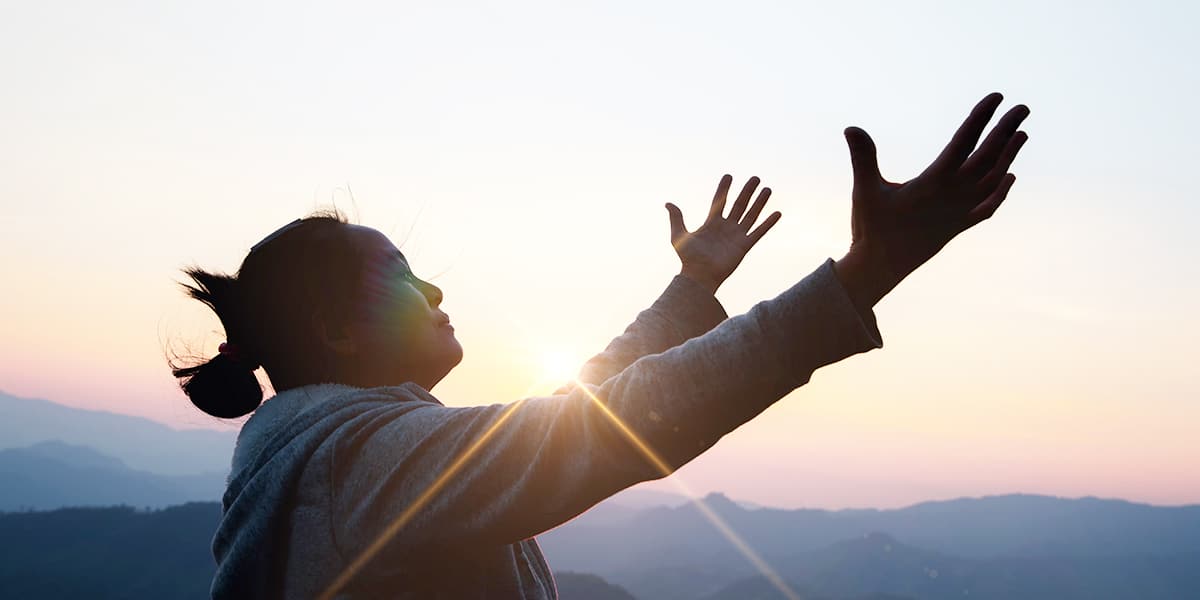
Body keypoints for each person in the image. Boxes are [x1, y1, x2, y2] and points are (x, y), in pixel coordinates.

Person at [172, 93, 1029, 599]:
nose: (433, 290)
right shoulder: (352, 467)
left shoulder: (348, 459)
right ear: (337, 331)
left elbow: (571, 408)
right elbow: (601, 426)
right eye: (401, 275)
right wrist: (858, 278)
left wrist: (692, 292)